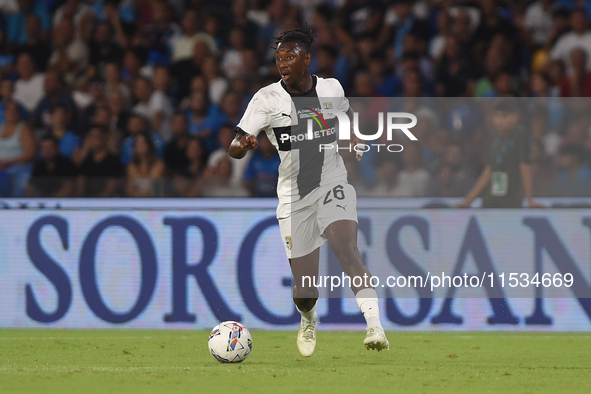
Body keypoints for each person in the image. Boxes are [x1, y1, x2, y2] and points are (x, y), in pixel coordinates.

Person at [228, 28, 389, 356]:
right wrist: (242, 145)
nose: (283, 63)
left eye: (290, 57)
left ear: (307, 59)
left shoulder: (330, 88)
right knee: (305, 290)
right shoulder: (267, 99)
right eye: (279, 58)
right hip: (293, 196)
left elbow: (346, 114)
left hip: (332, 182)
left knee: (347, 250)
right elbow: (234, 145)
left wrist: (354, 136)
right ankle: (309, 318)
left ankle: (375, 327)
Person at [458, 100, 544, 208]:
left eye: (505, 116)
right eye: (497, 116)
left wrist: (529, 199)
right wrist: (468, 200)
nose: (500, 120)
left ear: (514, 117)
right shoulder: (493, 136)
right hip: (491, 197)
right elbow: (488, 171)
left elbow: (524, 166)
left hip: (511, 199)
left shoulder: (520, 133)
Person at [0, 100, 36, 196]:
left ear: (19, 113)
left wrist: (8, 162)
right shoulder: (0, 128)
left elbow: (30, 153)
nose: (11, 113)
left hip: (18, 166)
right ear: (4, 113)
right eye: (9, 110)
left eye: (14, 111)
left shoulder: (24, 130)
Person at [76, 125, 123, 197]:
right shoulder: (86, 160)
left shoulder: (113, 160)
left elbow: (112, 186)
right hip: (87, 200)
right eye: (93, 135)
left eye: (99, 135)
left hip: (106, 201)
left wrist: (98, 200)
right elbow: (80, 183)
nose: (97, 138)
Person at [126, 132, 165, 197]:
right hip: (137, 201)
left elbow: (155, 188)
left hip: (155, 200)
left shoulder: (159, 164)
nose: (141, 146)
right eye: (138, 143)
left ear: (149, 144)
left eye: (143, 143)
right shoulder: (131, 166)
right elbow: (130, 189)